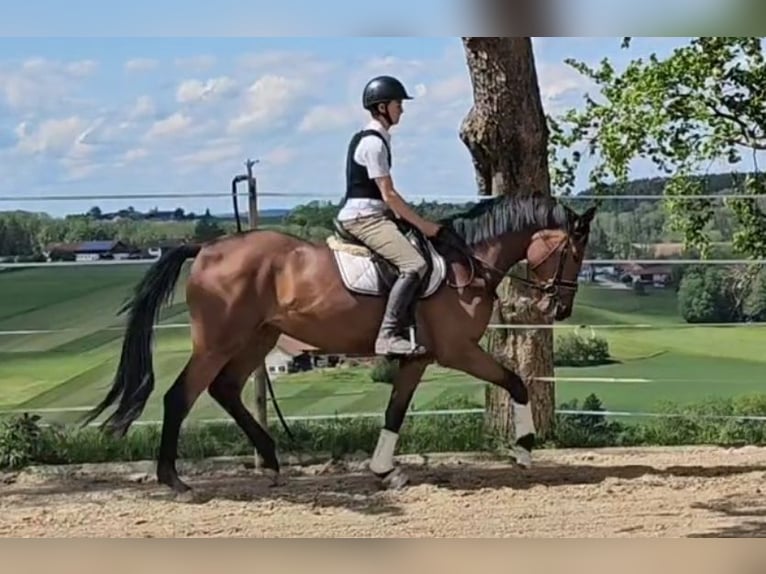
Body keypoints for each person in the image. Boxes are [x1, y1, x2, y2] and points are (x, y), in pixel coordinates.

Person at [336, 75, 442, 356]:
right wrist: (424, 224)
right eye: (398, 104)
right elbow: (390, 195)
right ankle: (388, 335)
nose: (401, 110)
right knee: (413, 264)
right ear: (382, 107)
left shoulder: (376, 138)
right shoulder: (374, 144)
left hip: (373, 213)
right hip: (364, 218)